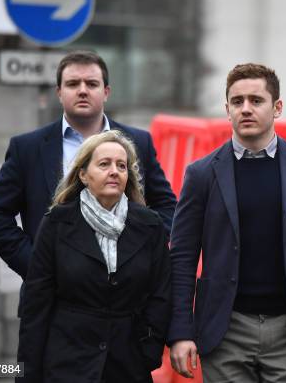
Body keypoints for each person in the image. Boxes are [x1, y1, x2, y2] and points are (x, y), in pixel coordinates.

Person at [168, 63, 286, 382]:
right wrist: (180, 332)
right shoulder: (201, 175)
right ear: (227, 110)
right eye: (237, 102)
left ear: (277, 107)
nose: (246, 109)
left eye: (256, 100)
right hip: (224, 329)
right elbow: (181, 259)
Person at [0, 50, 176, 280]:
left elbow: (167, 206)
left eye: (91, 83)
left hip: (125, 293)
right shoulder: (27, 148)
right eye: (73, 84)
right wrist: (35, 263)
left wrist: (142, 253)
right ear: (59, 93)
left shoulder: (138, 142)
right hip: (52, 298)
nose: (82, 90)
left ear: (106, 92)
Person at [16, 130, 171, 383]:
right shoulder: (57, 223)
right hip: (66, 362)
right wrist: (27, 373)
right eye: (104, 164)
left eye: (122, 166)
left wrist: (148, 350)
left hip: (129, 364)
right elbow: (37, 302)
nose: (114, 171)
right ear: (83, 175)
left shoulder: (150, 225)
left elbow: (161, 293)